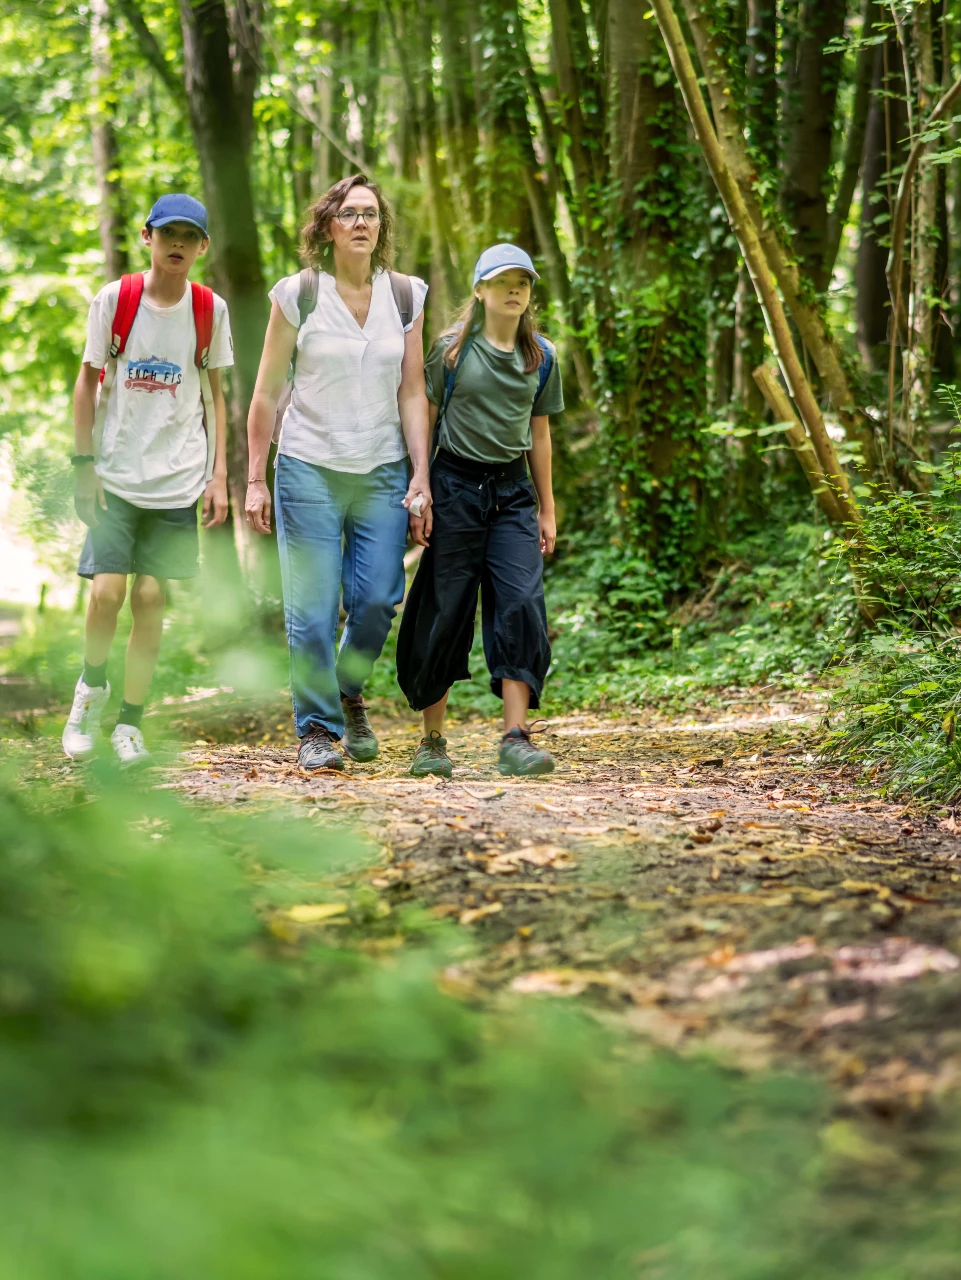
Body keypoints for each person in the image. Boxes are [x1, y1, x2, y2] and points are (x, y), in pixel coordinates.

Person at [245, 173, 430, 774]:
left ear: (382, 228)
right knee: (313, 608)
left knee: (377, 600)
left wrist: (420, 474)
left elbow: (412, 391)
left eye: (370, 214)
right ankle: (319, 730)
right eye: (348, 213)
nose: (360, 223)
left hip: (381, 469)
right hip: (307, 468)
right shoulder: (298, 294)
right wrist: (254, 477)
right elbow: (267, 393)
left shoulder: (405, 296)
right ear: (327, 226)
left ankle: (349, 689)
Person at [62, 193, 232, 769]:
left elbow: (216, 397)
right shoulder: (116, 300)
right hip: (115, 475)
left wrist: (219, 477)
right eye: (168, 234)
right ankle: (90, 692)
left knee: (153, 597)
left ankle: (130, 724)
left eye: (189, 235)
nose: (178, 244)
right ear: (147, 237)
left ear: (203, 245)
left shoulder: (210, 309)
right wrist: (82, 466)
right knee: (106, 593)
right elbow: (86, 383)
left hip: (178, 478)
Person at [397, 243, 563, 778]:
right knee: (446, 608)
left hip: (513, 493)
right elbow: (424, 415)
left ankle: (515, 737)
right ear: (480, 290)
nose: (515, 289)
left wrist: (547, 508)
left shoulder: (541, 356)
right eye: (504, 281)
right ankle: (432, 742)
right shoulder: (451, 351)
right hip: (454, 487)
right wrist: (420, 485)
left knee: (521, 603)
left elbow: (540, 434)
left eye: (524, 282)